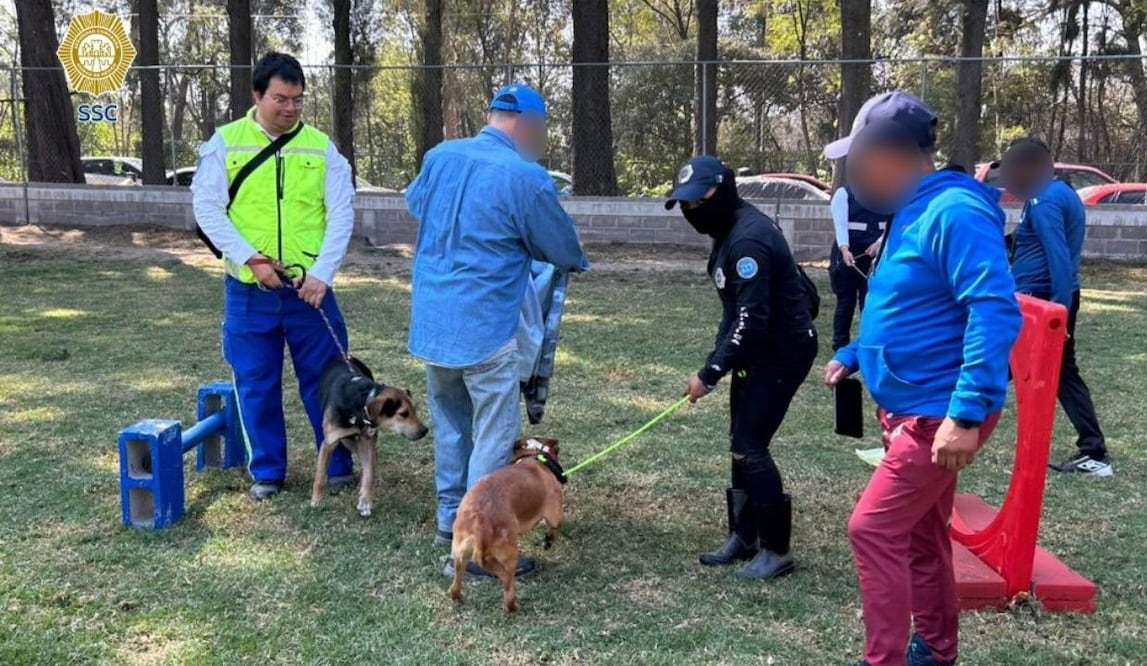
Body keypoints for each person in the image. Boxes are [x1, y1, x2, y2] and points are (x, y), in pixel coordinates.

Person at [821, 92, 1022, 666]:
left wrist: (965, 414)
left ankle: (883, 659)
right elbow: (915, 304)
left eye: (857, 162)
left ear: (891, 154)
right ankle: (936, 648)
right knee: (920, 535)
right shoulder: (912, 210)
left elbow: (993, 307)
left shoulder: (954, 211)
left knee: (872, 529)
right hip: (913, 408)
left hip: (939, 413)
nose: (852, 176)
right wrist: (860, 351)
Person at [404, 83, 590, 579]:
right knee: (492, 431)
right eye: (542, 132)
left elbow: (416, 205)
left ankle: (451, 518)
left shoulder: (440, 156)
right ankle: (480, 541)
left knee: (450, 421)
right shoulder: (526, 177)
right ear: (528, 125)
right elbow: (563, 248)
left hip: (433, 324)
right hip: (486, 327)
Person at [191, 52, 357, 501]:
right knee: (255, 382)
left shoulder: (322, 148)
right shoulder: (225, 143)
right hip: (249, 291)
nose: (290, 108)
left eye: (298, 100)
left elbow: (341, 214)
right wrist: (252, 260)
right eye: (281, 99)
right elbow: (207, 209)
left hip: (310, 290)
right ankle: (268, 471)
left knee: (327, 381)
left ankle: (337, 462)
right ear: (257, 95)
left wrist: (322, 274)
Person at [668, 156, 818, 581]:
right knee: (739, 440)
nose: (692, 211)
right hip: (758, 349)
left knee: (751, 445)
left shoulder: (747, 241)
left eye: (699, 201)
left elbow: (752, 320)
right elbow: (733, 314)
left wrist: (710, 374)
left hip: (782, 351)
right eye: (685, 204)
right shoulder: (727, 230)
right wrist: (714, 362)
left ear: (724, 192)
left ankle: (777, 550)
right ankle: (744, 535)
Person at [998, 137, 1111, 477]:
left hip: (1043, 301)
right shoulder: (1058, 193)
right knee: (1048, 372)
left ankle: (1095, 452)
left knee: (1002, 361)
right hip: (1042, 299)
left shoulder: (1044, 200)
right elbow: (1032, 239)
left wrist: (1058, 314)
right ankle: (1093, 449)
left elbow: (1058, 257)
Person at [829, 185, 891, 350]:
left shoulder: (887, 193)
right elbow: (840, 224)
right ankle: (840, 346)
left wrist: (879, 243)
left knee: (869, 302)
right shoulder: (844, 193)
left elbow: (893, 221)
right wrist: (844, 249)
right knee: (846, 302)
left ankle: (868, 344)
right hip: (848, 254)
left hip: (873, 256)